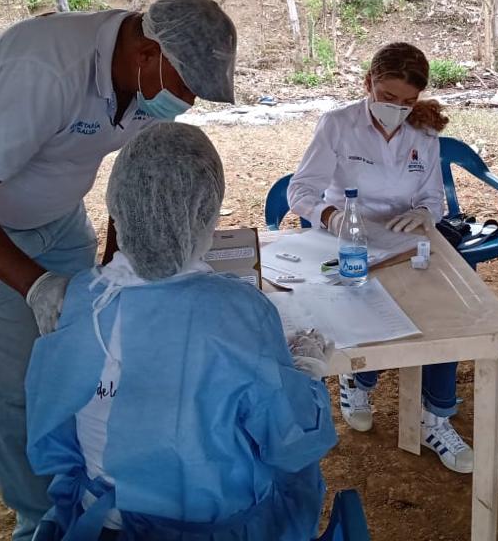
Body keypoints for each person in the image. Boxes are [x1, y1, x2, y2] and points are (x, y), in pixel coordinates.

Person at [0, 0, 237, 540]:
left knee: (83, 353)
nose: (190, 99)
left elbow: (136, 189)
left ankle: (88, 490)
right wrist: (36, 287)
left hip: (54, 212)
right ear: (148, 51)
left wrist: (120, 276)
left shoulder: (144, 88)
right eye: (187, 82)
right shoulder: (48, 70)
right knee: (18, 383)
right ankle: (40, 521)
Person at [26, 122, 338, 540]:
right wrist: (305, 373)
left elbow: (58, 431)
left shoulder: (78, 298)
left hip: (100, 521)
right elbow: (289, 438)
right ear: (206, 213)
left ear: (118, 207)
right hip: (214, 528)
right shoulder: (237, 309)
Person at [287, 41, 474, 474]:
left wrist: (424, 213)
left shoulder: (423, 132)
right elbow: (300, 192)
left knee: (439, 313)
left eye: (407, 102)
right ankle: (359, 380)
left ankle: (436, 415)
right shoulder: (338, 125)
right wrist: (330, 216)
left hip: (403, 241)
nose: (397, 109)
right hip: (347, 241)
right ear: (368, 83)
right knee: (367, 312)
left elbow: (433, 199)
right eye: (387, 98)